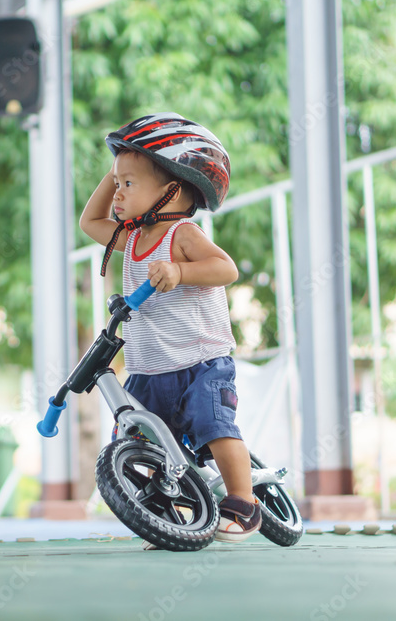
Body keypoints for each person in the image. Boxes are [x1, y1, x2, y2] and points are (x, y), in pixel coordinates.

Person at [78, 112, 261, 544]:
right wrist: (116, 170)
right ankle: (171, 509)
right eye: (117, 185)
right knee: (138, 438)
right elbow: (90, 223)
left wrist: (179, 273)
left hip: (198, 361)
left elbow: (226, 268)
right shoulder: (131, 238)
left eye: (129, 185)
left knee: (213, 425)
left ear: (171, 191)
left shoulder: (181, 233)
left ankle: (243, 502)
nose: (118, 194)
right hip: (148, 367)